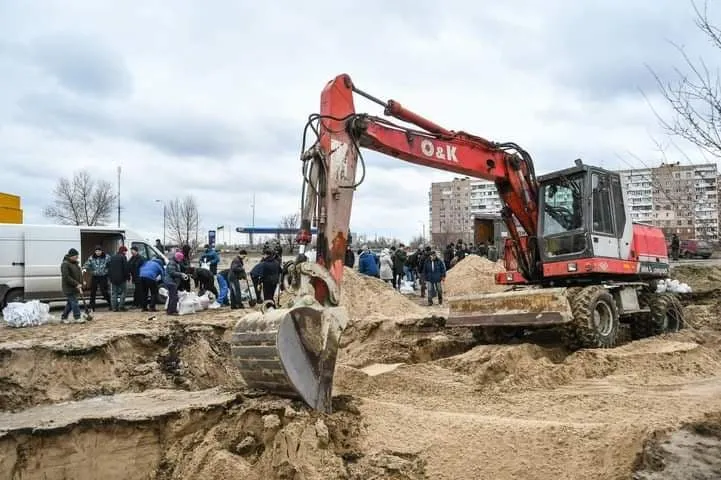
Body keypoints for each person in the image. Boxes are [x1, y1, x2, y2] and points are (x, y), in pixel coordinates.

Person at [84, 245, 111, 311]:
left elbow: (111, 264)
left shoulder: (106, 257)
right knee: (93, 291)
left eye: (99, 251)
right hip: (95, 276)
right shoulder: (92, 257)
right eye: (96, 251)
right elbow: (87, 264)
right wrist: (84, 268)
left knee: (104, 291)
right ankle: (92, 306)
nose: (98, 252)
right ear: (95, 252)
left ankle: (110, 303)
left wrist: (108, 271)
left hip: (103, 276)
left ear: (101, 251)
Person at [60, 248, 83, 321]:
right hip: (68, 288)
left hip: (75, 287)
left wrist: (81, 283)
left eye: (77, 256)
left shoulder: (75, 264)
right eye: (76, 256)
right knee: (74, 302)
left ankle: (64, 317)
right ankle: (77, 317)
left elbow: (79, 274)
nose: (77, 258)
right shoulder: (65, 264)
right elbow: (66, 277)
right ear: (71, 256)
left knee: (70, 303)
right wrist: (76, 284)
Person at [108, 246, 130, 312]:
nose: (126, 253)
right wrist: (128, 277)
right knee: (124, 292)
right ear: (123, 251)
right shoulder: (123, 257)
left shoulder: (112, 257)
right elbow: (125, 268)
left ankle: (114, 308)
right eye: (125, 251)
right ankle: (121, 306)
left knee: (114, 293)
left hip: (113, 279)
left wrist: (110, 277)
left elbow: (109, 268)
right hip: (122, 278)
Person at [165, 251, 188, 315]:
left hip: (171, 281)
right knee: (174, 297)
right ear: (178, 258)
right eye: (180, 259)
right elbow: (172, 273)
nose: (180, 261)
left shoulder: (174, 262)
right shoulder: (172, 263)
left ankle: (169, 310)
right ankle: (172, 311)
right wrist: (181, 274)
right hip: (171, 282)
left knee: (172, 296)